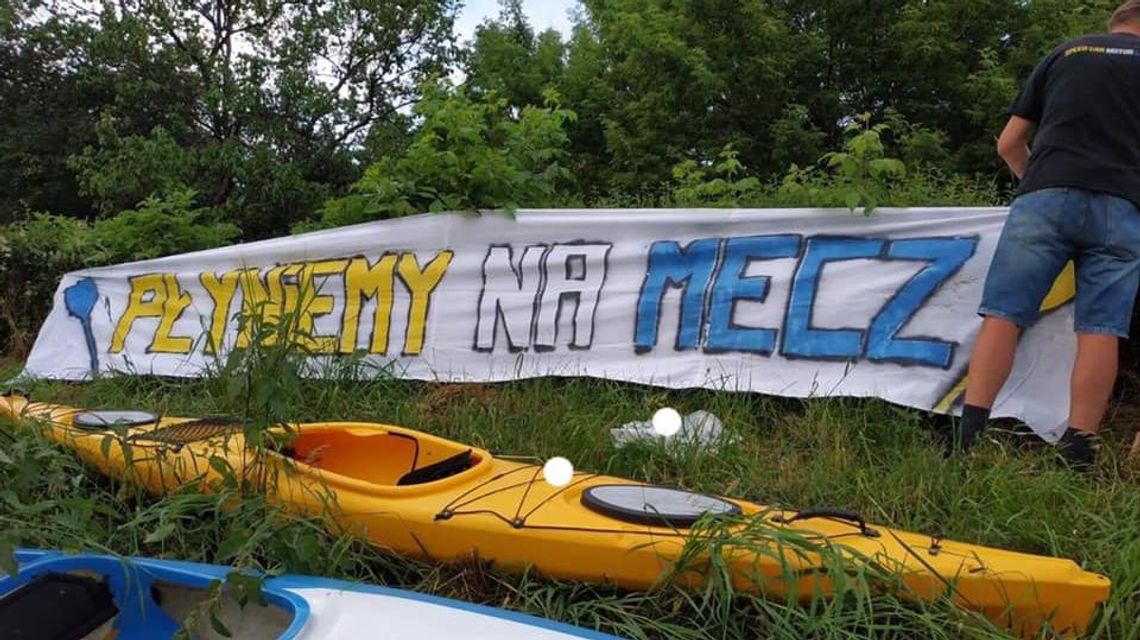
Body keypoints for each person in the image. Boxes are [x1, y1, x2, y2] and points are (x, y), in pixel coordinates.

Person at [950, 0, 1140, 470]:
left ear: (1114, 24)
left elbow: (1008, 142)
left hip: (1046, 194)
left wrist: (1034, 185)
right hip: (1123, 204)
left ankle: (968, 438)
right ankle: (1078, 450)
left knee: (1004, 315)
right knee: (1101, 329)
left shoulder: (1065, 54)